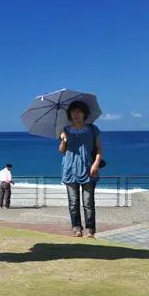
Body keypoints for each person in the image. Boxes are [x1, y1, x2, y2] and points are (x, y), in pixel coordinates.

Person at [59, 100, 103, 238]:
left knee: (88, 202)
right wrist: (63, 140)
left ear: (84, 113)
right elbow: (61, 151)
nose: (75, 115)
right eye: (73, 112)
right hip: (70, 169)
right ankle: (76, 228)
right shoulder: (65, 130)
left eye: (78, 111)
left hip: (88, 168)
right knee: (73, 202)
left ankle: (90, 229)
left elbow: (99, 149)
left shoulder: (92, 129)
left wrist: (96, 164)